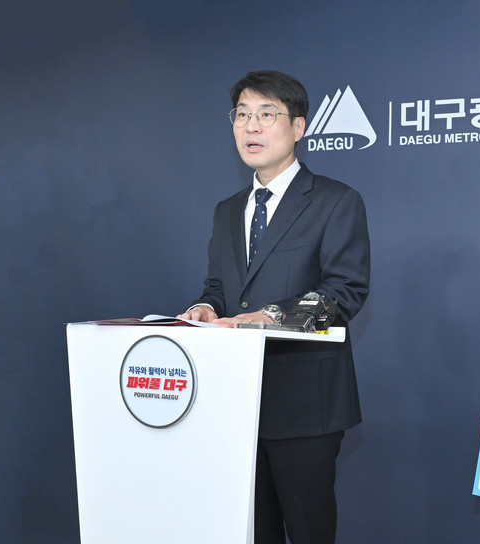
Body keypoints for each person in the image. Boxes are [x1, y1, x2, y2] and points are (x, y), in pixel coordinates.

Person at [177, 70, 370, 544]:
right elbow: (219, 286)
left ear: (298, 127)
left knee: (308, 532)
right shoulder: (227, 209)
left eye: (267, 114)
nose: (251, 126)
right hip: (233, 403)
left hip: (305, 405)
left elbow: (344, 290)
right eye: (242, 115)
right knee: (252, 532)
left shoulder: (335, 200)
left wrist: (272, 316)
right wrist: (204, 307)